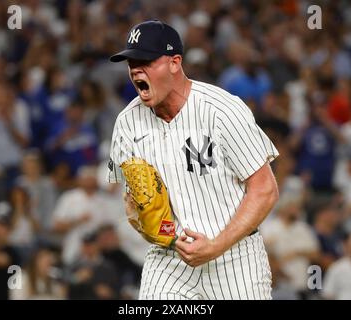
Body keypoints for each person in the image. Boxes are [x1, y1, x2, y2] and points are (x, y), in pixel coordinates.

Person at [107, 20, 279, 300]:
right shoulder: (127, 123)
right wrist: (159, 230)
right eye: (131, 62)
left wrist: (215, 246)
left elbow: (265, 189)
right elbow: (132, 203)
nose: (136, 69)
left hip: (235, 259)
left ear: (175, 62)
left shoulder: (222, 110)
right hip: (168, 260)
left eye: (146, 61)